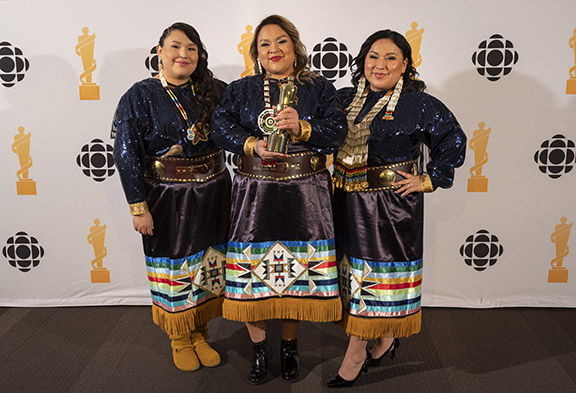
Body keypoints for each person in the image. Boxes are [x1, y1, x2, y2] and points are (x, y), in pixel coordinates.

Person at [211, 14, 347, 384]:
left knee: (296, 274)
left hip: (305, 192)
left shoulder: (319, 87)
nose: (273, 49)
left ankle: (289, 345)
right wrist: (253, 143)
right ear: (256, 52)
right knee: (251, 275)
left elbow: (337, 130)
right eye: (265, 44)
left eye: (281, 41)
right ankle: (260, 348)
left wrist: (303, 127)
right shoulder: (241, 90)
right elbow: (219, 126)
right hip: (255, 192)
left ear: (295, 46)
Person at [328, 29, 466, 387]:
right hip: (344, 199)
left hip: (389, 207)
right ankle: (387, 336)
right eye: (374, 56)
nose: (380, 65)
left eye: (391, 58)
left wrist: (428, 178)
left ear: (405, 64)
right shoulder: (343, 99)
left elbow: (453, 138)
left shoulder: (418, 104)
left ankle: (356, 352)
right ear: (362, 61)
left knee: (376, 279)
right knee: (352, 276)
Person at [112, 22, 230, 372]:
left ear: (199, 55)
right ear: (160, 51)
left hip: (213, 193)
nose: (184, 54)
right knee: (174, 266)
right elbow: (125, 152)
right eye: (176, 46)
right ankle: (180, 337)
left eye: (191, 48)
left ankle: (201, 333)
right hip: (166, 197)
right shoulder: (141, 95)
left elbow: (242, 128)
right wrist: (138, 206)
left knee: (208, 264)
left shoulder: (215, 90)